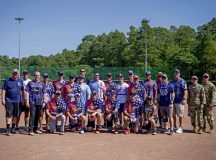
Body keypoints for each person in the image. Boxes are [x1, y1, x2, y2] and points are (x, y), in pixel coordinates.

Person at [1, 69, 24, 136]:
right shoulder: (7, 80)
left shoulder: (20, 81)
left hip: (17, 101)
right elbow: (3, 90)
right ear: (12, 73)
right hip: (9, 100)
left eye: (16, 73)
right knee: (9, 115)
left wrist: (23, 99)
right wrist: (3, 99)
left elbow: (22, 91)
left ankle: (13, 128)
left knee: (15, 115)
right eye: (14, 73)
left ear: (18, 74)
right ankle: (8, 129)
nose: (15, 75)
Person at [26, 71, 46, 136]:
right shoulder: (30, 83)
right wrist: (27, 101)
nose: (37, 76)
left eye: (38, 75)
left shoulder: (42, 84)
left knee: (37, 116)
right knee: (32, 115)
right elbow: (27, 92)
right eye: (36, 75)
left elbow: (44, 93)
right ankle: (30, 130)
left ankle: (35, 129)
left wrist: (44, 102)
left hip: (39, 102)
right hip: (32, 101)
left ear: (40, 76)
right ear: (34, 76)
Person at [170, 69, 187, 134]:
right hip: (173, 101)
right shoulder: (171, 82)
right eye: (175, 73)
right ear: (174, 74)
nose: (176, 74)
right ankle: (174, 126)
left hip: (179, 101)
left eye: (177, 73)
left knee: (180, 115)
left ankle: (180, 127)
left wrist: (184, 98)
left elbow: (185, 90)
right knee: (173, 115)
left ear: (179, 74)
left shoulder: (182, 81)